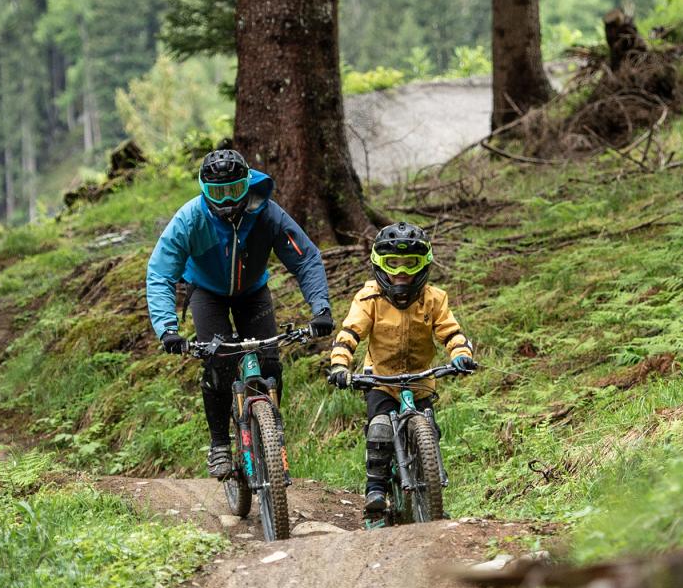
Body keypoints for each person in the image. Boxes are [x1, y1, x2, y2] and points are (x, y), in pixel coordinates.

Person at [146, 148, 335, 478]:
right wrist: (167, 328)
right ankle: (219, 444)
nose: (228, 200)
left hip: (253, 292)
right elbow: (160, 273)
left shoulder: (267, 214)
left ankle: (271, 435)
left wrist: (320, 308)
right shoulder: (190, 220)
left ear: (247, 185)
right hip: (207, 293)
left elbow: (305, 259)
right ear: (204, 191)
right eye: (218, 193)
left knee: (271, 361)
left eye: (234, 190)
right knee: (218, 361)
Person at [326, 221, 477, 526]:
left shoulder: (434, 299)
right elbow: (350, 332)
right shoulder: (369, 297)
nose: (401, 273)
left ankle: (430, 493)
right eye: (393, 264)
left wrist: (461, 355)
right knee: (379, 429)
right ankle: (376, 496)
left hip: (421, 380)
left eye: (410, 264)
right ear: (380, 264)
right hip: (381, 380)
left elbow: (451, 332)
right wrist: (340, 364)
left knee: (429, 432)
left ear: (424, 265)